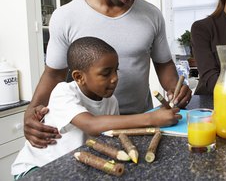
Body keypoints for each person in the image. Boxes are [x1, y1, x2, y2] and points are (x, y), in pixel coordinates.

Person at [24, 0, 192, 148]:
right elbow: (54, 74)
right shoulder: (65, 16)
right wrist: (32, 109)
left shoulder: (152, 16)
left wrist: (175, 89)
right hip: (89, 130)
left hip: (144, 124)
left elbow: (164, 64)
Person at [12, 37, 181, 179]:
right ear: (79, 77)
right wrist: (151, 118)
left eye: (116, 71)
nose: (115, 78)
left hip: (73, 165)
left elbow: (112, 132)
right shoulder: (63, 92)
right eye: (106, 73)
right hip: (36, 168)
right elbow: (91, 125)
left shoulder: (111, 101)